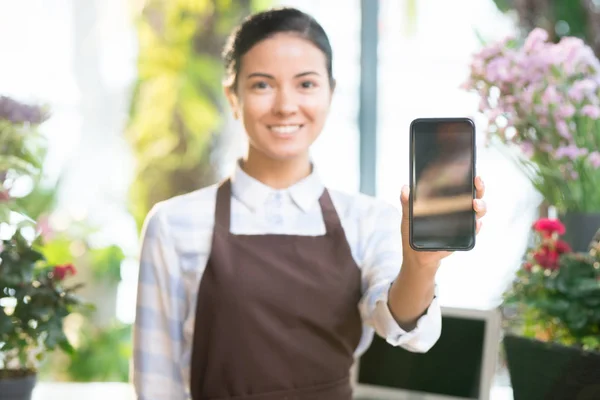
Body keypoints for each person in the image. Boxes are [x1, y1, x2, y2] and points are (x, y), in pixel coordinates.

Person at [131, 7, 487, 400]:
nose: (285, 105)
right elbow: (156, 382)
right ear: (233, 97)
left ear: (330, 93)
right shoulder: (174, 224)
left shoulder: (368, 220)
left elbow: (403, 328)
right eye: (262, 85)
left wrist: (421, 263)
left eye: (306, 84)